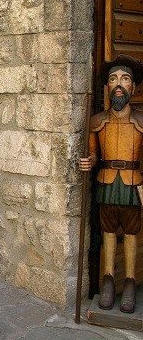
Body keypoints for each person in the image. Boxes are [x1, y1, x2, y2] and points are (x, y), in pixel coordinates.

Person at [79, 54, 143, 313]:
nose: (119, 84)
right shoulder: (98, 121)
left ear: (133, 88)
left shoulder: (140, 123)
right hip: (106, 183)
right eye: (113, 79)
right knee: (107, 233)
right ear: (107, 88)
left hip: (130, 184)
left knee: (130, 234)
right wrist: (89, 161)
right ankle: (107, 280)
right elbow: (93, 153)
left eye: (125, 79)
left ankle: (128, 282)